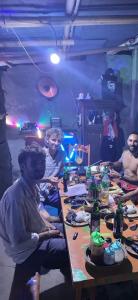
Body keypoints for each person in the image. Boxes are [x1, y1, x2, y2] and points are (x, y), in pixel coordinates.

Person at [0, 144, 70, 300]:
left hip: (37, 233)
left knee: (69, 229)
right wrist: (47, 234)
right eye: (34, 164)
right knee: (70, 250)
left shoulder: (31, 185)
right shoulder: (15, 198)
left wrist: (52, 223)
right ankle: (76, 285)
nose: (40, 168)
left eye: (42, 164)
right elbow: (18, 240)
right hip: (26, 251)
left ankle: (71, 278)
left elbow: (39, 212)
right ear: (23, 166)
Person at [39, 127, 64, 210]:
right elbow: (32, 178)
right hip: (39, 194)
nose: (56, 143)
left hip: (53, 192)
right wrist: (47, 180)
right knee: (46, 218)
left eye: (59, 141)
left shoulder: (61, 154)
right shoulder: (40, 154)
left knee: (71, 201)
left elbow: (60, 174)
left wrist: (57, 181)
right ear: (47, 140)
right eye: (53, 140)